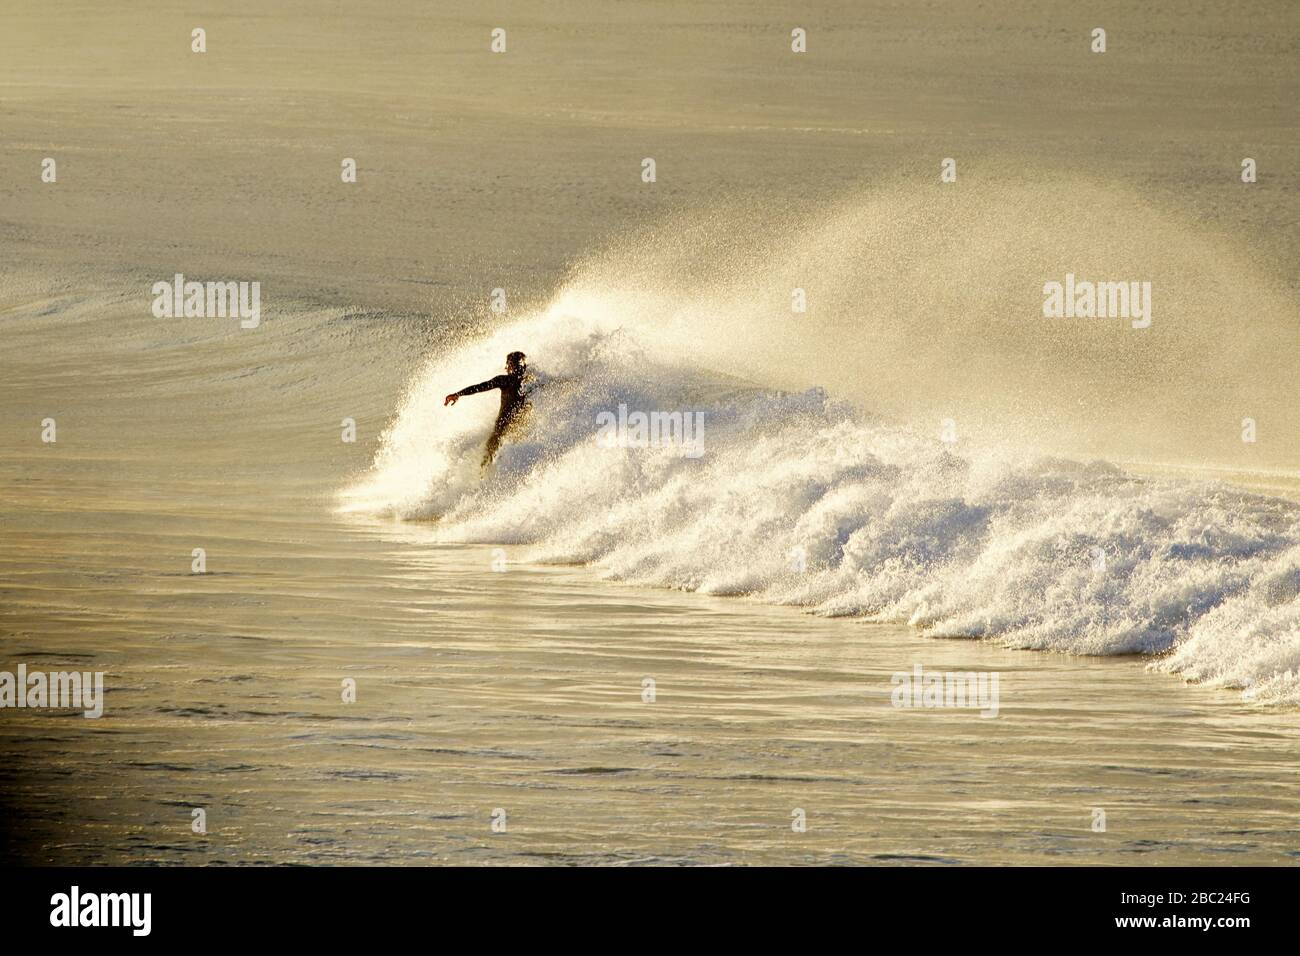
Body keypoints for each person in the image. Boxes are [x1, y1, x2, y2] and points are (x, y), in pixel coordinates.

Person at [444, 351, 532, 469]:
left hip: (501, 430)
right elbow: (480, 387)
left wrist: (458, 394)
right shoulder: (529, 381)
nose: (506, 368)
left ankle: (483, 480)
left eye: (508, 365)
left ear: (511, 365)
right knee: (503, 460)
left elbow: (480, 387)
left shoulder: (506, 380)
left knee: (488, 462)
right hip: (518, 430)